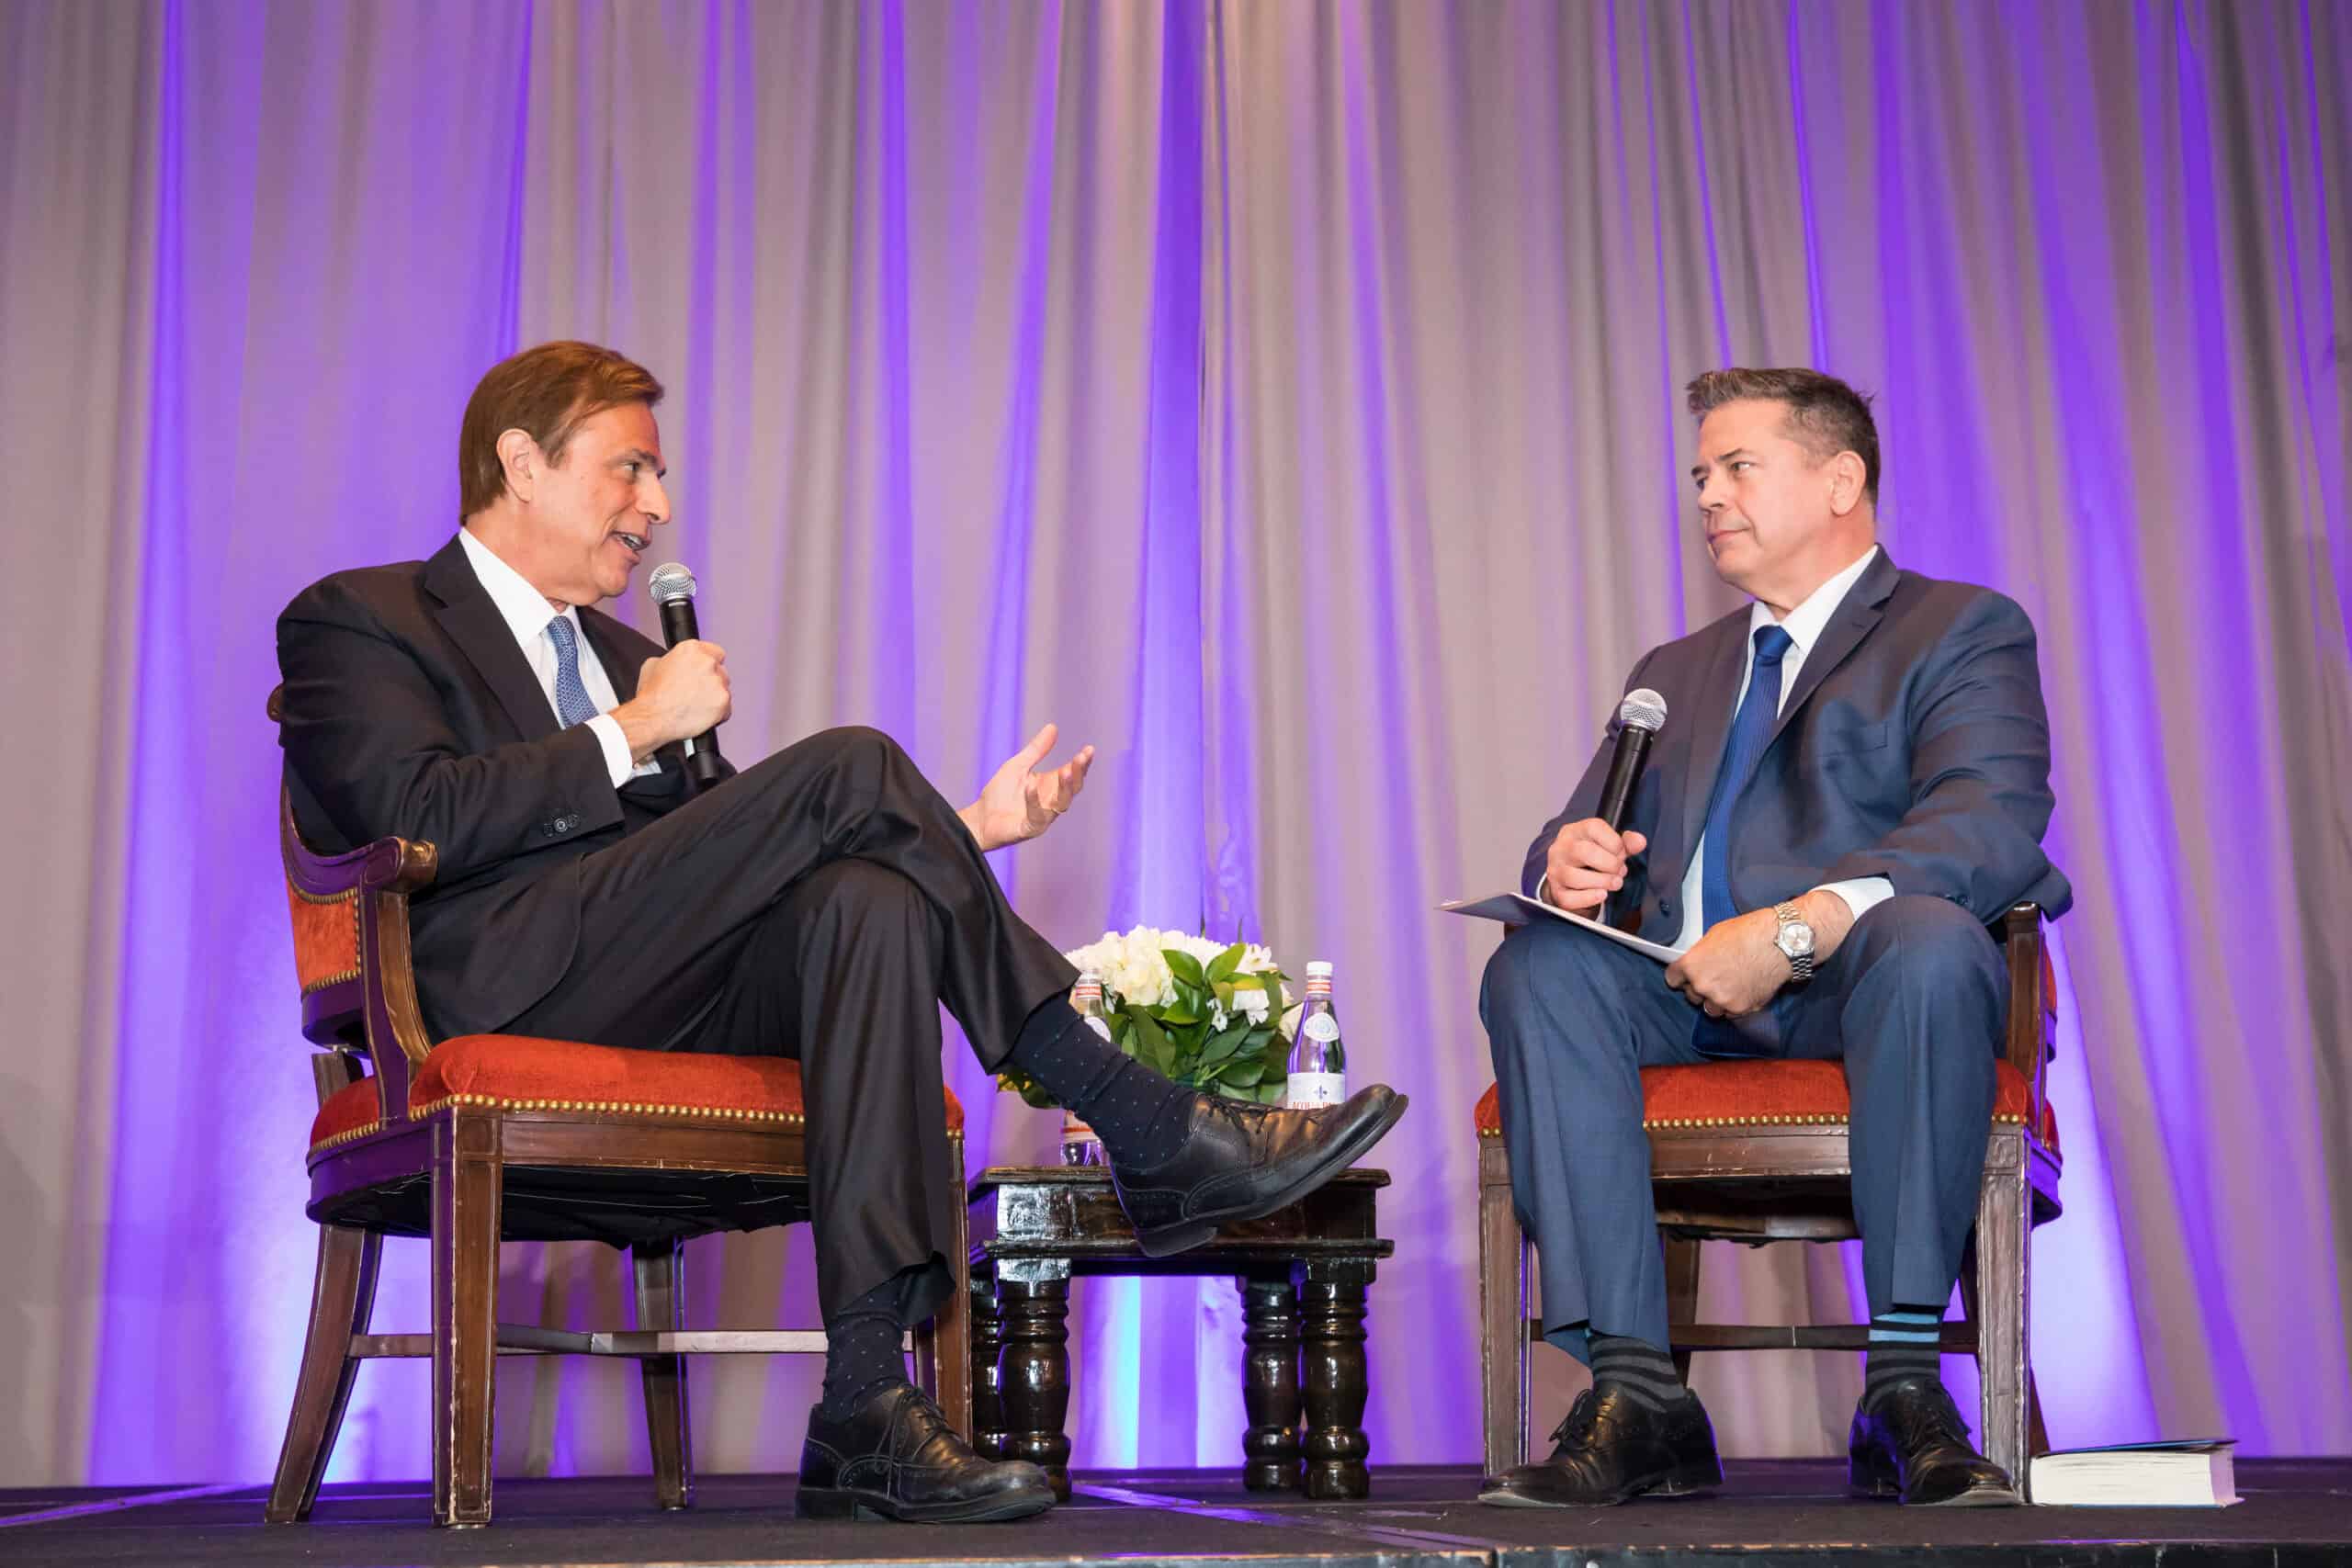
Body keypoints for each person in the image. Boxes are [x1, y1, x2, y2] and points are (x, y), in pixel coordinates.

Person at [275, 340, 1407, 1525]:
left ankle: (863, 1401)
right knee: (854, 762)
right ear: (521, 460)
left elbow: (764, 851)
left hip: (648, 985)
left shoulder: (621, 655)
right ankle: (1142, 1119)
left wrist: (964, 829)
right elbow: (409, 815)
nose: (655, 508)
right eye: (630, 470)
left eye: (657, 480)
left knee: (860, 905)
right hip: (489, 990)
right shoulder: (366, 615)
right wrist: (631, 731)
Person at [1478, 367, 2070, 1510]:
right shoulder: (1675, 669)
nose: (1708, 494)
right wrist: (1566, 860)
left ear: (1840, 479)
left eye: (1737, 467)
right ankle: (1637, 1392)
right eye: (1700, 474)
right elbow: (1584, 822)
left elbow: (1988, 825)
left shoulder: (1961, 628)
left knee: (1934, 939)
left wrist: (1797, 930)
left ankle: (1902, 1383)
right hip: (1674, 999)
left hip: (1859, 992)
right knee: (1539, 961)